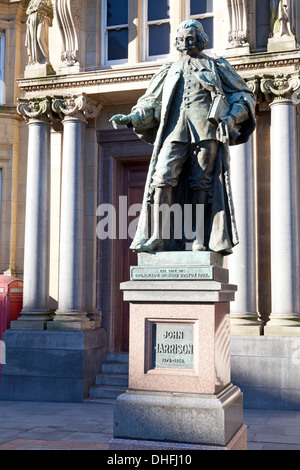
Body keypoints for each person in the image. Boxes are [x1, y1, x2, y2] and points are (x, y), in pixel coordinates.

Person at [110, 19, 256, 254]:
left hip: (205, 131)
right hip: (174, 132)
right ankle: (159, 235)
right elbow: (150, 102)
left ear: (200, 39)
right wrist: (132, 117)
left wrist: (230, 118)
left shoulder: (216, 66)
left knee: (201, 184)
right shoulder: (169, 70)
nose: (186, 43)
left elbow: (244, 97)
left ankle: (199, 239)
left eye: (190, 38)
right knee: (162, 178)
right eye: (181, 39)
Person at [25, 0, 53, 66]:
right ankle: (36, 61)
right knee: (33, 40)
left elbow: (50, 12)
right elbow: (27, 11)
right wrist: (36, 9)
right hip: (32, 21)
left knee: (40, 38)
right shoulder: (32, 1)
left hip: (42, 19)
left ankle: (46, 59)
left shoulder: (46, 1)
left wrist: (43, 8)